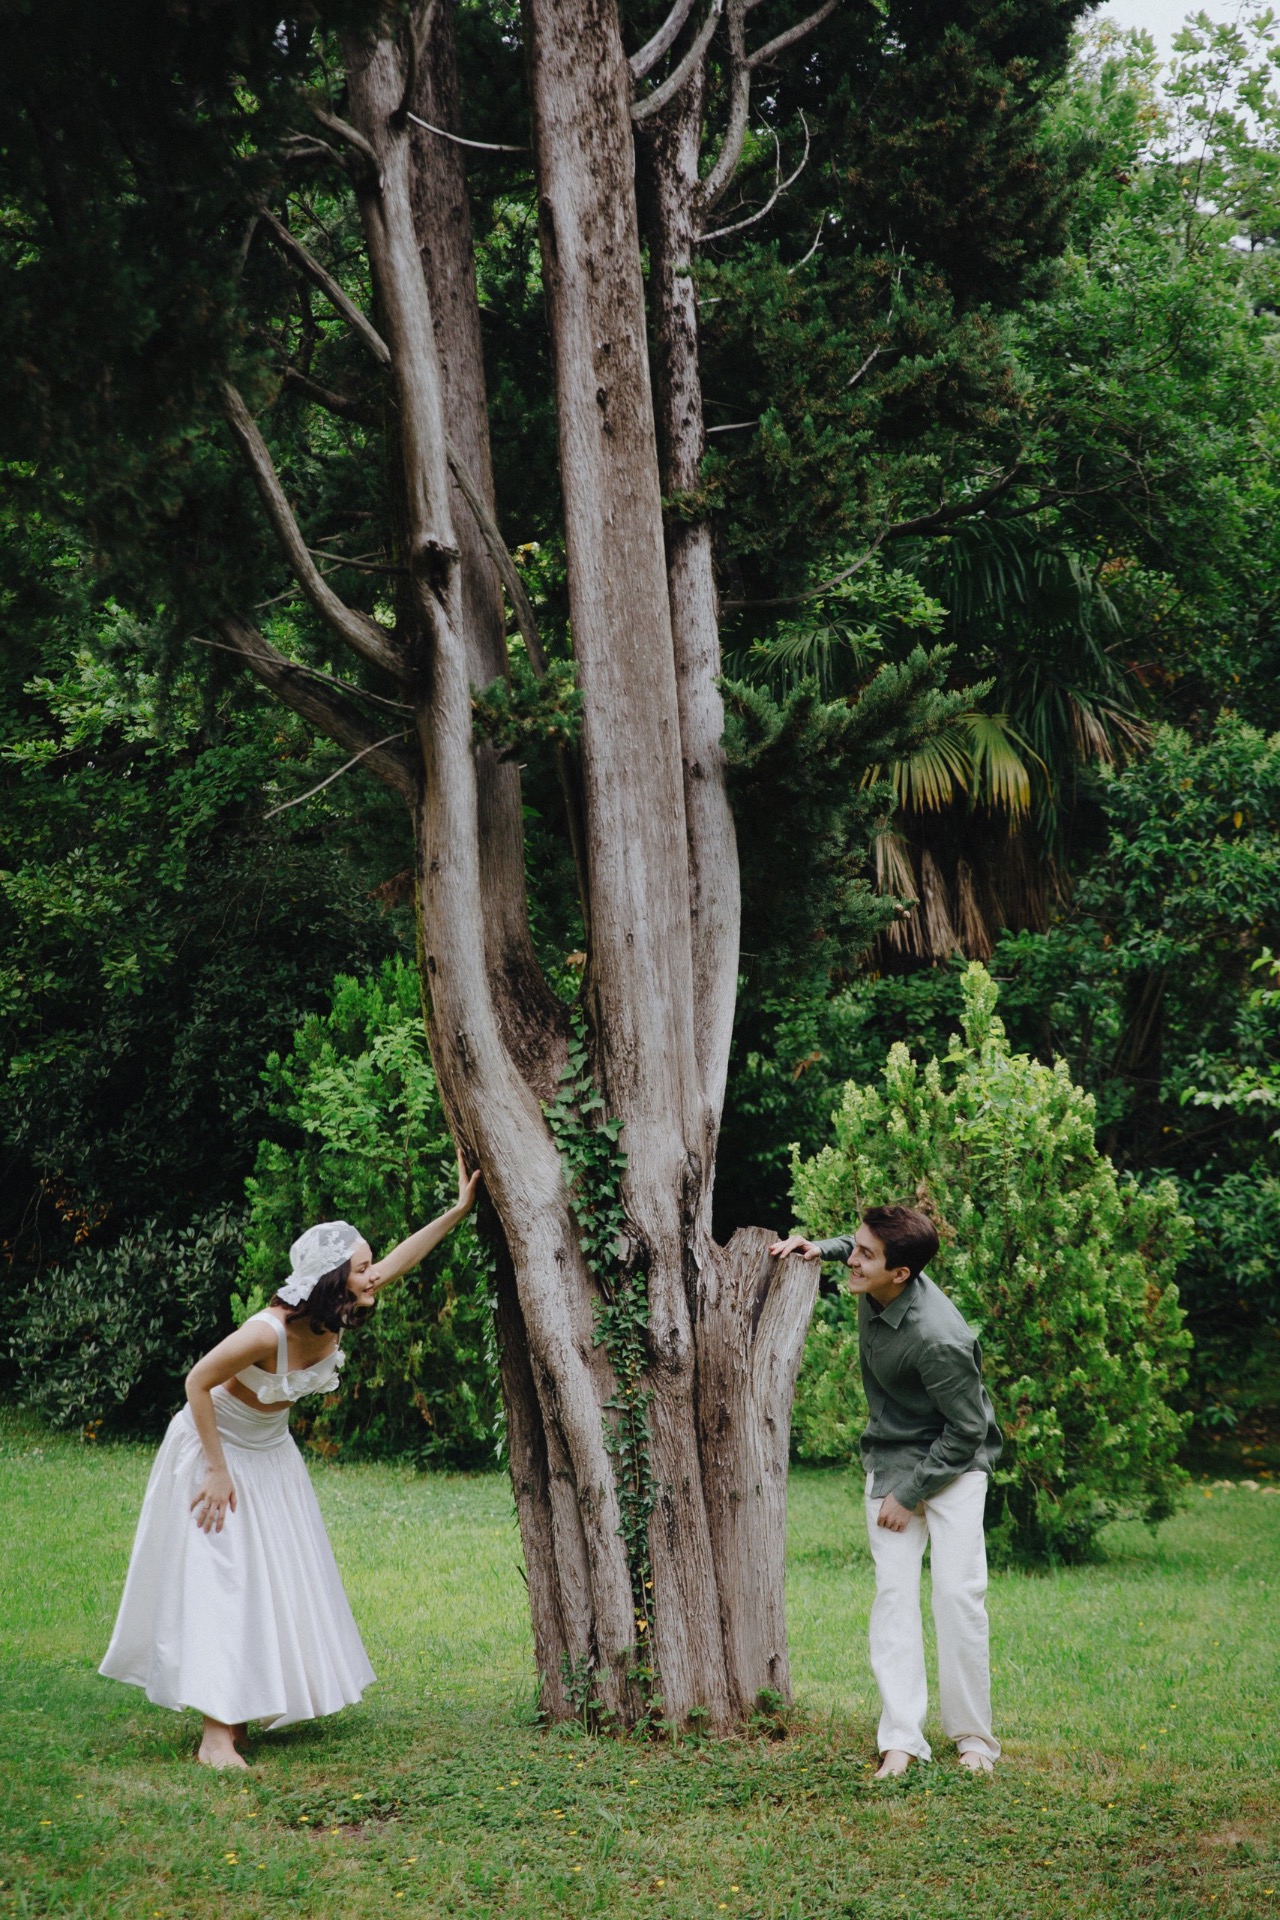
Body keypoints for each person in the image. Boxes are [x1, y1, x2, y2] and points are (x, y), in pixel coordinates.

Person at [100, 1153, 481, 1768]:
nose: (374, 1276)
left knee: (265, 1582)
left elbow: (403, 1259)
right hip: (215, 1447)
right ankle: (215, 1737)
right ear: (332, 1278)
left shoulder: (340, 1311)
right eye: (363, 1268)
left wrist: (458, 1211)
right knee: (225, 1580)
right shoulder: (267, 1332)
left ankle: (238, 1712)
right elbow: (197, 1383)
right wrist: (216, 1470)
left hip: (271, 1454)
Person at [771, 1204, 1001, 1778]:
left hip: (956, 1463)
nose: (852, 1259)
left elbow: (968, 1430)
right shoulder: (875, 1278)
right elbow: (854, 1244)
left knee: (956, 1596)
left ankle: (974, 1740)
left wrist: (910, 1492)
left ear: (901, 1273)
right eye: (854, 1248)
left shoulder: (939, 1338)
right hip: (891, 1453)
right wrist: (817, 1246)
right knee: (894, 1598)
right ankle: (901, 1739)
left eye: (864, 1255)